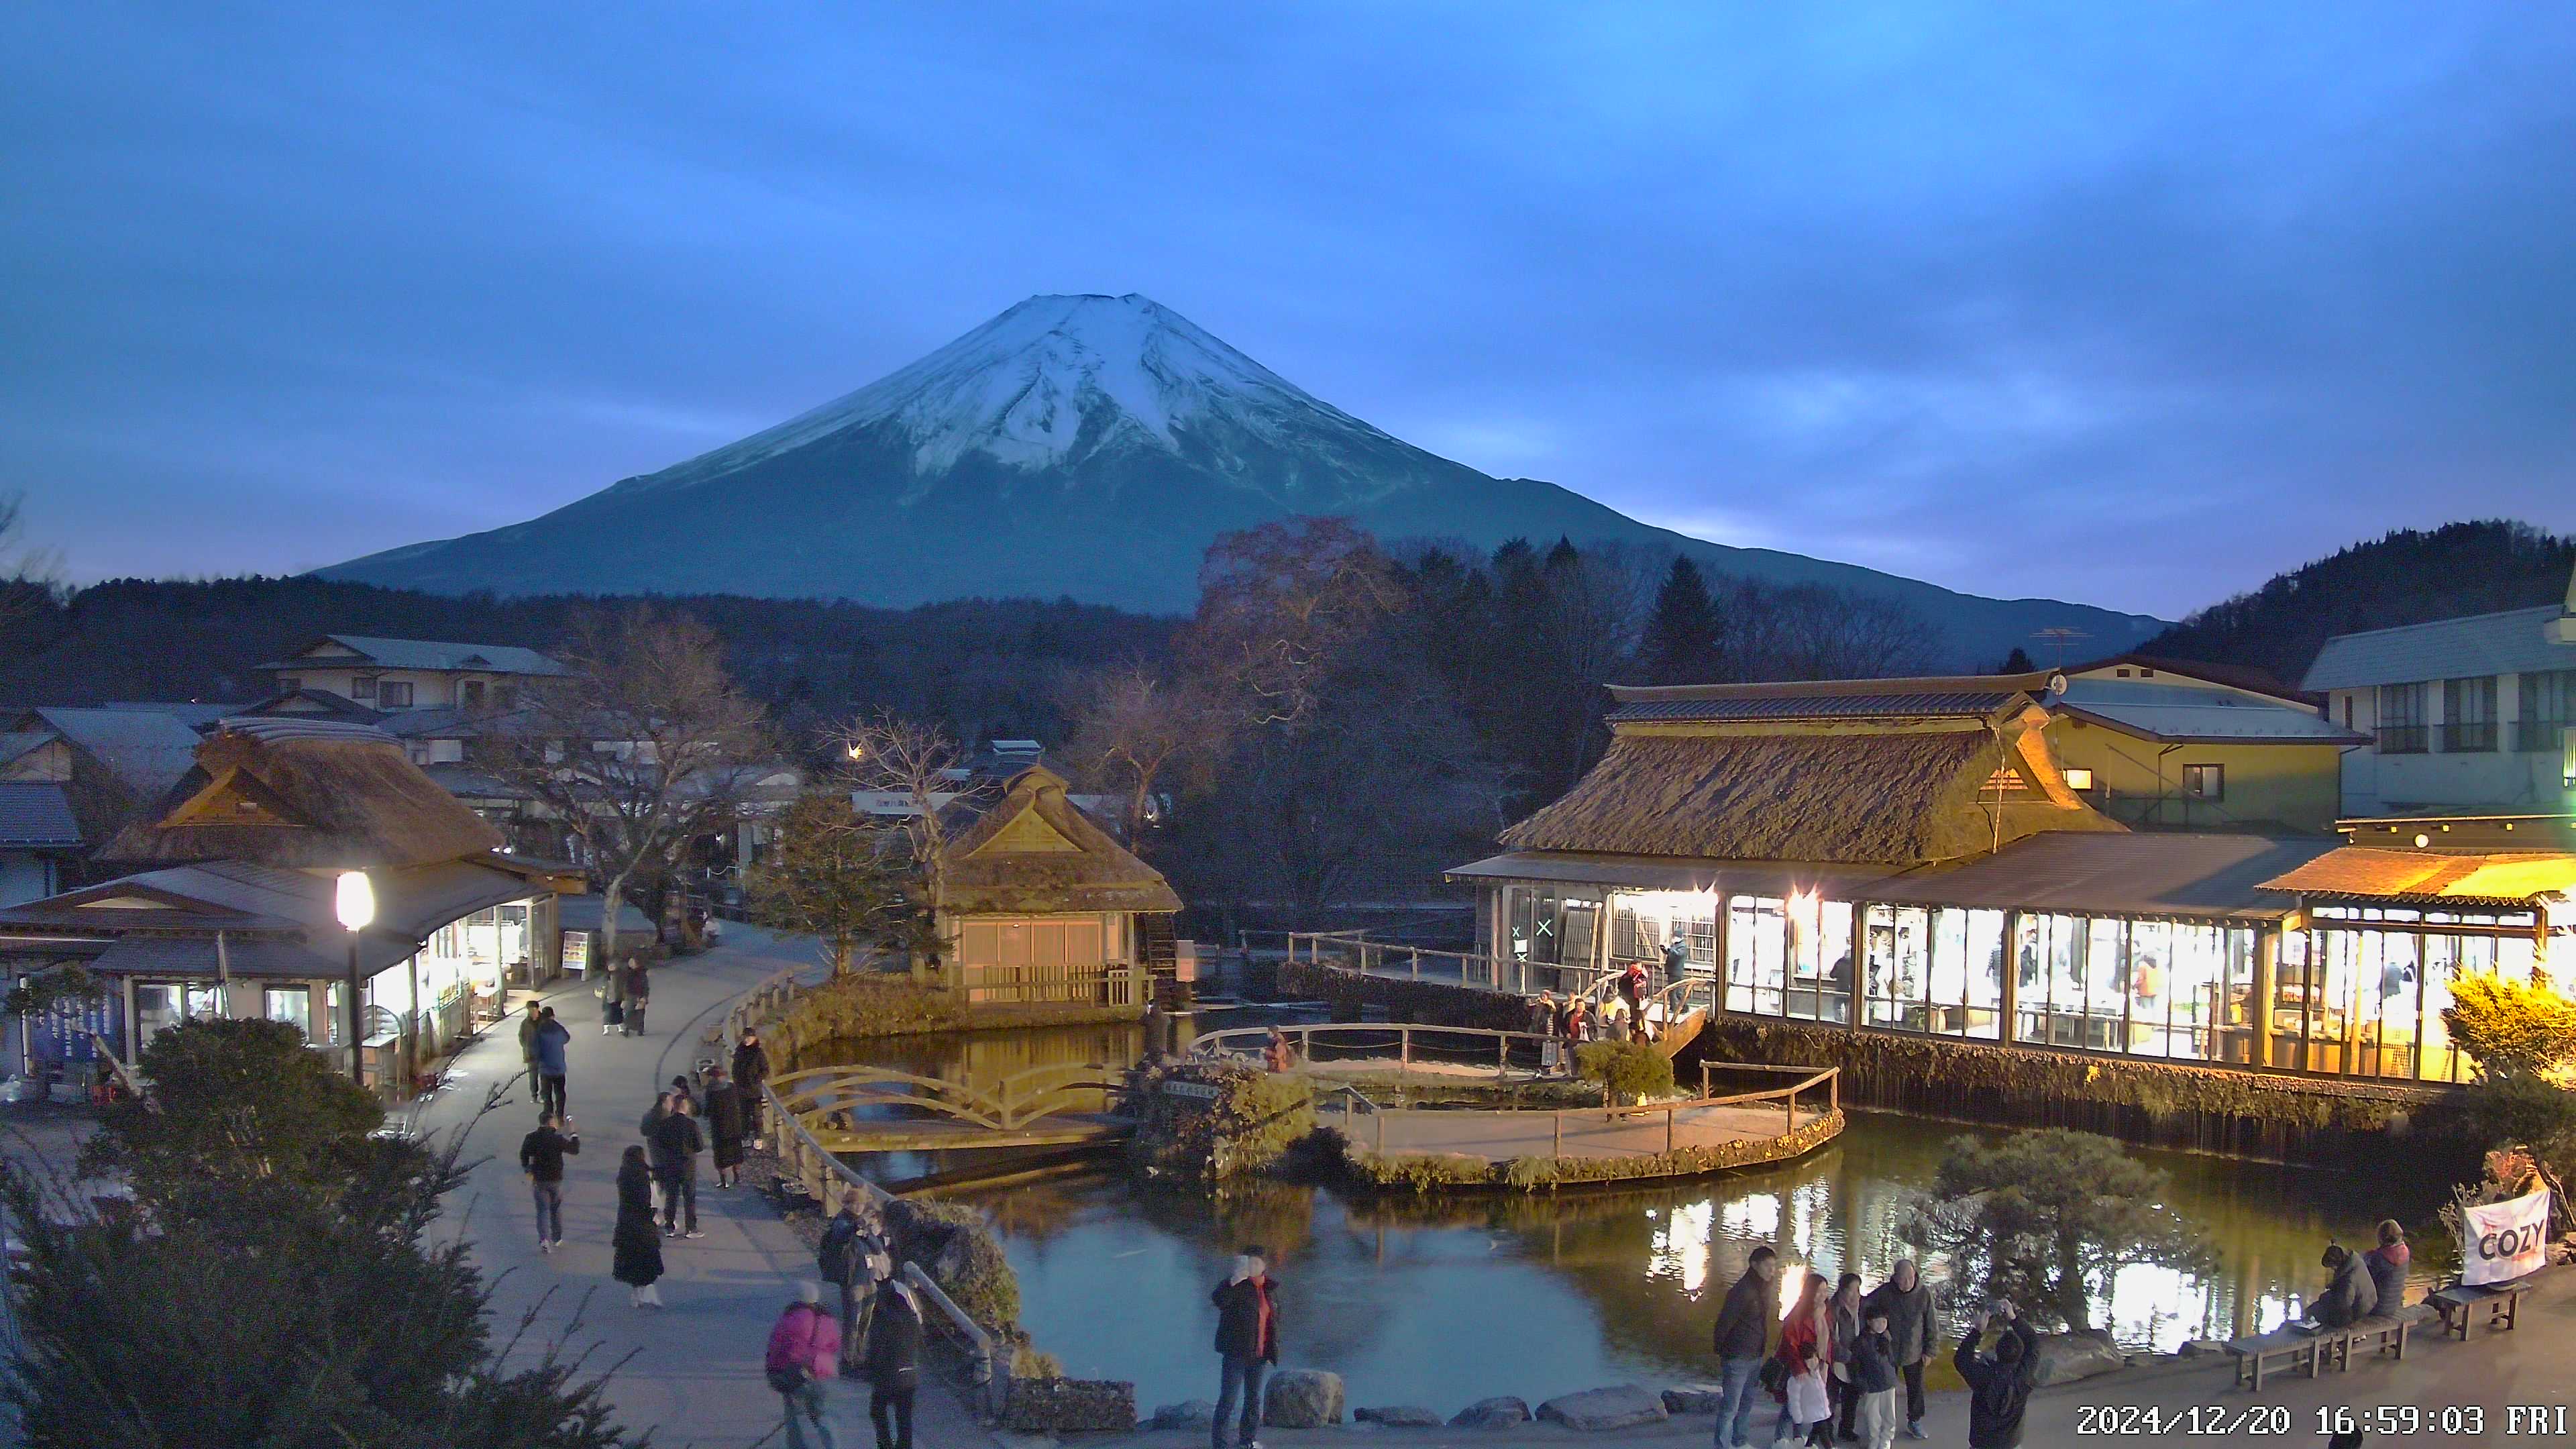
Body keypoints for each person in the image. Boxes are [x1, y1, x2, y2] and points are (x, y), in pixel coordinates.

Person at [1210, 1246, 1281, 1449]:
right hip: (1236, 1354)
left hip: (1260, 1355)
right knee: (1228, 1400)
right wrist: (1232, 1281)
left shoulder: (1270, 1289)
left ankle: (1247, 1441)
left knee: (1253, 1400)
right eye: (1250, 1262)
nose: (1253, 1267)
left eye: (1257, 1263)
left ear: (1264, 1266)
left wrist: (1273, 1349)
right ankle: (1220, 1444)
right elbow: (1218, 1300)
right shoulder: (1237, 1285)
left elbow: (1274, 1321)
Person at [1711, 1245, 1782, 1449]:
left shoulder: (1763, 1288)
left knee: (1746, 1403)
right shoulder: (1742, 1290)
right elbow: (1725, 1322)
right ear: (1754, 1265)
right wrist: (1722, 1350)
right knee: (1731, 1406)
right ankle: (1723, 1444)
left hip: (1755, 1355)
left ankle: (1740, 1441)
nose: (1772, 1270)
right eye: (1768, 1266)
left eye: (1774, 1266)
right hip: (1738, 1357)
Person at [1861, 1260, 1937, 1440]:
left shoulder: (1924, 1295)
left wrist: (1930, 1351)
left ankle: (1915, 1420)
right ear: (1894, 1278)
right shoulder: (1884, 1293)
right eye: (1902, 1280)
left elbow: (1931, 1324)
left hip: (1914, 1351)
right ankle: (1882, 1422)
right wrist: (1876, 1330)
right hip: (1889, 1351)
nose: (1907, 1283)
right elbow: (1865, 1306)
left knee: (1916, 1388)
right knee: (1885, 1388)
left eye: (1910, 1278)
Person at [764, 1281, 842, 1449]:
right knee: (823, 1416)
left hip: (794, 1374)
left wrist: (772, 1370)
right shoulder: (827, 1320)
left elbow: (776, 1347)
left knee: (795, 1418)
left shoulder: (789, 1319)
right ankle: (832, 1445)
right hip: (821, 1373)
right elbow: (835, 1345)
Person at [820, 1188, 890, 1368]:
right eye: (856, 1204)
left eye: (862, 1204)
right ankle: (847, 1360)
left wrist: (865, 1233)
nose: (859, 1207)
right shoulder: (842, 1222)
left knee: (865, 1323)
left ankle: (859, 1357)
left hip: (869, 1279)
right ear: (847, 1204)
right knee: (852, 1322)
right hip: (853, 1282)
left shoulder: (862, 1224)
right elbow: (840, 1235)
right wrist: (857, 1227)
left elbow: (877, 1249)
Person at [1954, 1301, 2038, 1449]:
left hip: (1982, 1443)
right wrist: (2013, 1317)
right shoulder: (2024, 1375)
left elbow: (1961, 1360)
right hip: (2011, 1443)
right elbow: (2032, 1341)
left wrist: (1978, 1331)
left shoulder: (1983, 1376)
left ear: (1997, 1352)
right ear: (2020, 1354)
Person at [1771, 1271, 1831, 1448]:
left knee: (1806, 1404)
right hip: (1797, 1365)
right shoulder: (1797, 1314)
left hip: (1815, 1364)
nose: (1823, 1295)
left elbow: (1828, 1342)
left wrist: (1825, 1363)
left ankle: (1799, 1437)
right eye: (1819, 1291)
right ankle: (1780, 1438)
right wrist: (1799, 1368)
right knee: (1792, 1404)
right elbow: (1790, 1344)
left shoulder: (1825, 1313)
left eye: (1825, 1291)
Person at [865, 1272, 925, 1449]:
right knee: (904, 1416)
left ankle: (885, 1445)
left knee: (877, 1410)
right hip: (910, 1373)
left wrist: (871, 1371)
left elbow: (877, 1350)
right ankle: (905, 1446)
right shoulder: (912, 1321)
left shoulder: (883, 1321)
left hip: (890, 1374)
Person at [517, 1110, 580, 1252]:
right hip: (555, 1179)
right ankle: (557, 1237)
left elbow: (524, 1155)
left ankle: (544, 1239)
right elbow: (574, 1150)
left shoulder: (531, 1138)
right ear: (550, 1122)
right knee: (556, 1209)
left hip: (539, 1179)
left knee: (542, 1211)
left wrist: (528, 1170)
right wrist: (573, 1134)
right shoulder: (557, 1139)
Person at [612, 1146, 665, 1307]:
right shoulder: (645, 1175)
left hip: (626, 1223)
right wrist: (655, 1215)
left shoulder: (623, 1175)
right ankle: (649, 1292)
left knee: (631, 1259)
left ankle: (636, 1295)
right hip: (644, 1222)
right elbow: (652, 1199)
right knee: (648, 1257)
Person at [1847, 1303, 1901, 1449]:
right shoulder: (1861, 1342)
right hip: (1870, 1386)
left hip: (1888, 1383)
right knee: (1872, 1417)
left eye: (1884, 1321)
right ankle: (1874, 1439)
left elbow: (1892, 1361)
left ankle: (1886, 1440)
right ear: (1869, 1321)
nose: (1881, 1325)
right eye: (1877, 1321)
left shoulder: (1886, 1339)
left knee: (1889, 1415)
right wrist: (1860, 1383)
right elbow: (1854, 1366)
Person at [653, 1092, 705, 1238]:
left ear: (674, 1107)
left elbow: (659, 1143)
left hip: (670, 1163)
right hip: (688, 1165)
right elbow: (700, 1146)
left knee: (672, 1196)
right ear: (686, 1107)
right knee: (689, 1196)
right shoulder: (691, 1125)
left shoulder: (665, 1124)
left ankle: (670, 1226)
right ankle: (691, 1227)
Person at [1827, 1272, 1864, 1444]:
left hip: (1856, 1361)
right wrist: (1847, 1355)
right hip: (1836, 1360)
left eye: (1858, 1290)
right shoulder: (1832, 1309)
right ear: (1842, 1291)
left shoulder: (1863, 1307)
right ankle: (1825, 1431)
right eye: (1851, 1290)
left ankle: (1846, 1429)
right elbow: (1830, 1339)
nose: (1855, 1294)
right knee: (1830, 1398)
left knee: (1852, 1397)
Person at [2310, 1243, 2377, 1327]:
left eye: (2332, 1267)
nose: (2332, 1269)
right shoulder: (2354, 1260)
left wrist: (2325, 1298)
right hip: (2368, 1301)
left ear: (2337, 1264)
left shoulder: (2349, 1279)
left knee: (2317, 1312)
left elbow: (2344, 1304)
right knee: (2319, 1306)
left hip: (2358, 1311)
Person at [704, 1063, 748, 1189]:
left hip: (719, 1127)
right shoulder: (732, 1088)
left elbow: (707, 1111)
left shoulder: (711, 1091)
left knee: (721, 1156)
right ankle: (737, 1177)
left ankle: (724, 1181)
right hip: (734, 1125)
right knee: (735, 1152)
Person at [532, 1006, 571, 1119]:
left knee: (546, 1094)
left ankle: (549, 1117)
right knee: (560, 1093)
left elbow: (535, 1046)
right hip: (558, 1066)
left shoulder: (539, 1029)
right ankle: (560, 1116)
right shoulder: (558, 1028)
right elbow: (566, 1038)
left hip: (545, 1067)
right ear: (553, 1016)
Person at [2363, 1220, 2410, 1313]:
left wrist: (2365, 1258)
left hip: (2377, 1307)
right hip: (2394, 1305)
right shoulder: (2405, 1252)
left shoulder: (2379, 1258)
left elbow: (2366, 1280)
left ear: (2381, 1237)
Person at [735, 1028, 771, 1102]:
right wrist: (737, 1081)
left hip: (754, 1092)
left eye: (748, 1037)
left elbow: (765, 1070)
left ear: (754, 1038)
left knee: (755, 1112)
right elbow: (735, 1068)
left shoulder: (758, 1052)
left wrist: (755, 1080)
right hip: (741, 1091)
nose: (746, 1039)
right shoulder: (739, 1051)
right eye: (744, 1037)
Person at [623, 957, 650, 1036]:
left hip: (640, 995)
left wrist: (644, 997)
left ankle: (640, 1029)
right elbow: (624, 985)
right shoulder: (627, 972)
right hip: (630, 995)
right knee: (628, 1012)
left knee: (640, 1013)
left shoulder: (642, 973)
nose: (631, 963)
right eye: (630, 962)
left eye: (632, 962)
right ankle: (627, 1029)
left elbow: (645, 986)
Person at [517, 1000, 543, 1078]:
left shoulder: (544, 1021)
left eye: (533, 1009)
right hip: (531, 1054)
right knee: (533, 1077)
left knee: (545, 1078)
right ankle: (534, 1090)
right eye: (529, 1010)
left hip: (544, 1053)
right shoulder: (525, 1023)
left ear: (537, 1009)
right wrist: (526, 1048)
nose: (531, 1012)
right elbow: (521, 1037)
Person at [600, 961, 625, 1036]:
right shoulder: (605, 976)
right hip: (607, 997)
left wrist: (623, 997)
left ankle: (620, 1028)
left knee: (618, 1013)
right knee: (608, 1014)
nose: (611, 967)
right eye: (610, 966)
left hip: (617, 997)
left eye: (613, 966)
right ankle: (606, 1029)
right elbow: (601, 985)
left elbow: (623, 986)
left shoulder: (620, 975)